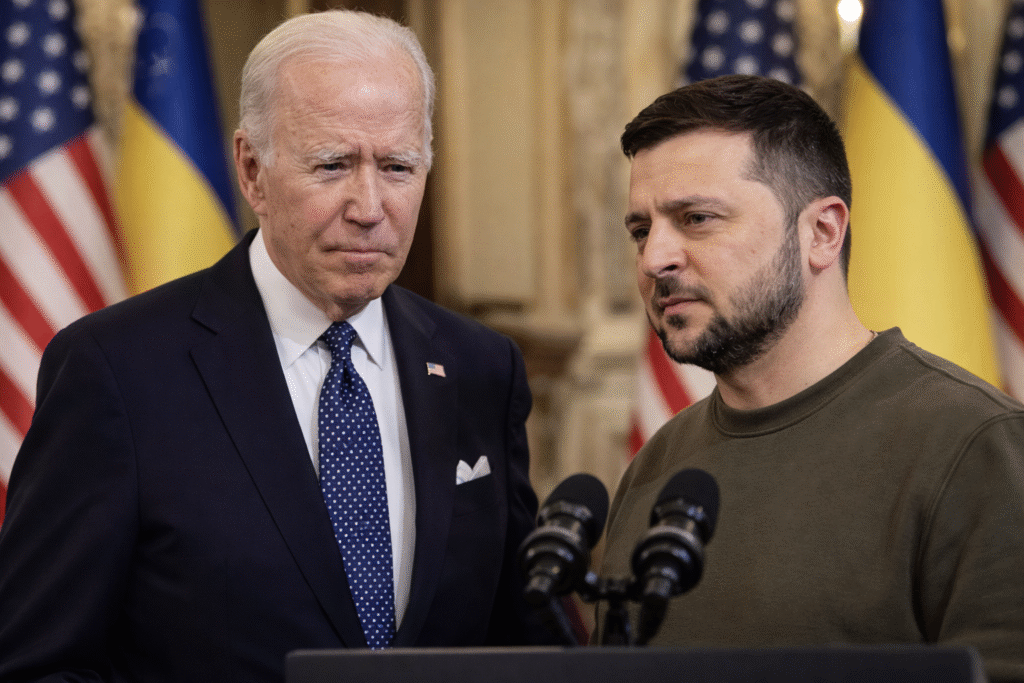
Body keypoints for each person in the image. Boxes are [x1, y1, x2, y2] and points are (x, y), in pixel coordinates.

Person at [0, 10, 550, 682]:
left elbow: (525, 638)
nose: (370, 205)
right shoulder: (116, 371)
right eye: (333, 164)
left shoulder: (480, 366)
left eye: (398, 166)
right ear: (251, 169)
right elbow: (36, 663)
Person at [596, 74, 1024, 682]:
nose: (653, 259)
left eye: (696, 219)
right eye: (641, 230)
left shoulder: (978, 447)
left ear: (821, 232)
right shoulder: (660, 465)